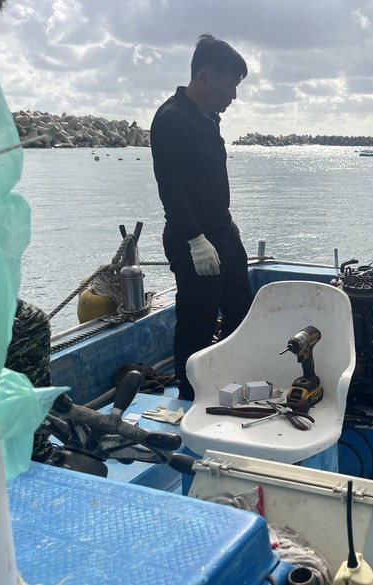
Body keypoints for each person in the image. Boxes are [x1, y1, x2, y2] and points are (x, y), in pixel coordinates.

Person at [151, 34, 255, 400]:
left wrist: (226, 223)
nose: (233, 95)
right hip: (194, 238)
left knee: (242, 309)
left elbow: (206, 182)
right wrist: (195, 239)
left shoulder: (208, 118)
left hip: (223, 231)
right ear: (205, 77)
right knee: (197, 320)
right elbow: (171, 186)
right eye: (230, 85)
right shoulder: (172, 119)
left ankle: (226, 375)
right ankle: (189, 393)